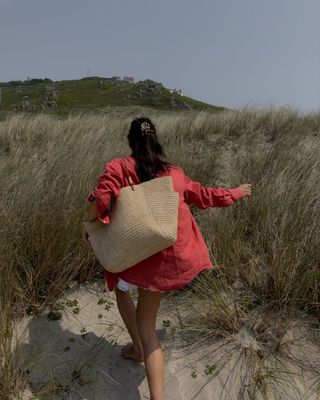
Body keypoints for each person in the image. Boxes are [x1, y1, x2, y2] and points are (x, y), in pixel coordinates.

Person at [83, 117, 252, 400]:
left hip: (131, 252)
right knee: (149, 329)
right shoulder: (174, 173)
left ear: (129, 142)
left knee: (122, 288)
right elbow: (204, 195)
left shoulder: (120, 167)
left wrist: (90, 225)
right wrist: (235, 193)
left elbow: (101, 198)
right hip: (161, 259)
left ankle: (137, 348)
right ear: (156, 141)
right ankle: (144, 358)